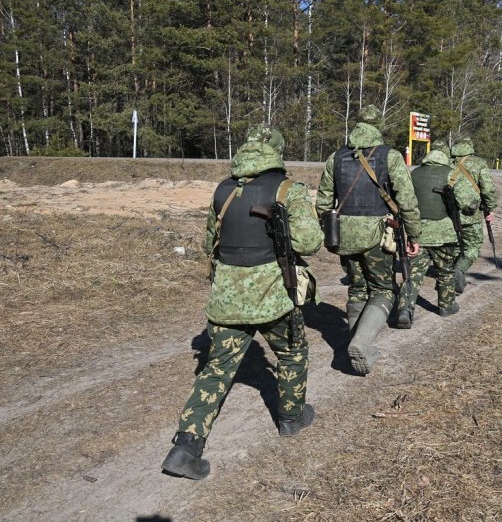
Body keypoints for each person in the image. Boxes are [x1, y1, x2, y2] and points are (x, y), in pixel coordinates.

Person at [161, 125, 323, 480]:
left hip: (226, 298)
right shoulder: (288, 190)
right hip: (273, 297)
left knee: (216, 370)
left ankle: (185, 447)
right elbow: (310, 243)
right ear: (277, 153)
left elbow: (210, 244)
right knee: (293, 353)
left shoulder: (223, 190)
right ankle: (291, 417)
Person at [316, 105, 420, 375]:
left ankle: (356, 344)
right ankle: (361, 343)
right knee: (384, 289)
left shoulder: (336, 157)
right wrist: (414, 234)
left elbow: (324, 202)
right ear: (379, 126)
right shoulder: (390, 156)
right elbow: (407, 200)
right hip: (377, 233)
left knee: (357, 289)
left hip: (344, 234)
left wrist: (330, 231)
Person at [396, 142, 480, 328]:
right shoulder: (451, 174)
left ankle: (405, 309)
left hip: (417, 232)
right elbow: (469, 203)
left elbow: (403, 199)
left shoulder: (414, 174)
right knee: (445, 271)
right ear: (445, 157)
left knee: (413, 273)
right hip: (444, 234)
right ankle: (446, 306)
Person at [449, 136, 498, 293]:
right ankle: (459, 270)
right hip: (472, 214)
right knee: (473, 246)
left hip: (450, 212)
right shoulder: (479, 163)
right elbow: (487, 189)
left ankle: (452, 273)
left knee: (457, 244)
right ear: (470, 147)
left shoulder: (447, 161)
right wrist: (490, 208)